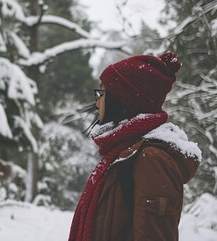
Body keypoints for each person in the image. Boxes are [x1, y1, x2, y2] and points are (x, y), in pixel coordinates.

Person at [68, 51, 201, 241]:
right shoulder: (124, 153)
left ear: (124, 99)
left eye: (102, 92)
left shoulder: (152, 159)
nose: (97, 102)